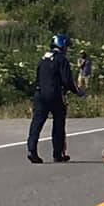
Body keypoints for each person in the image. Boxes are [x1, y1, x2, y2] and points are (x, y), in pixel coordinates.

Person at [27, 33, 84, 164]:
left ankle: (31, 150)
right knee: (58, 124)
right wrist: (77, 91)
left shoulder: (43, 58)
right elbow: (67, 80)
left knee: (36, 123)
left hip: (39, 94)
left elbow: (37, 77)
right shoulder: (61, 59)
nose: (67, 49)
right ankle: (58, 154)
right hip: (55, 95)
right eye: (66, 46)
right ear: (62, 45)